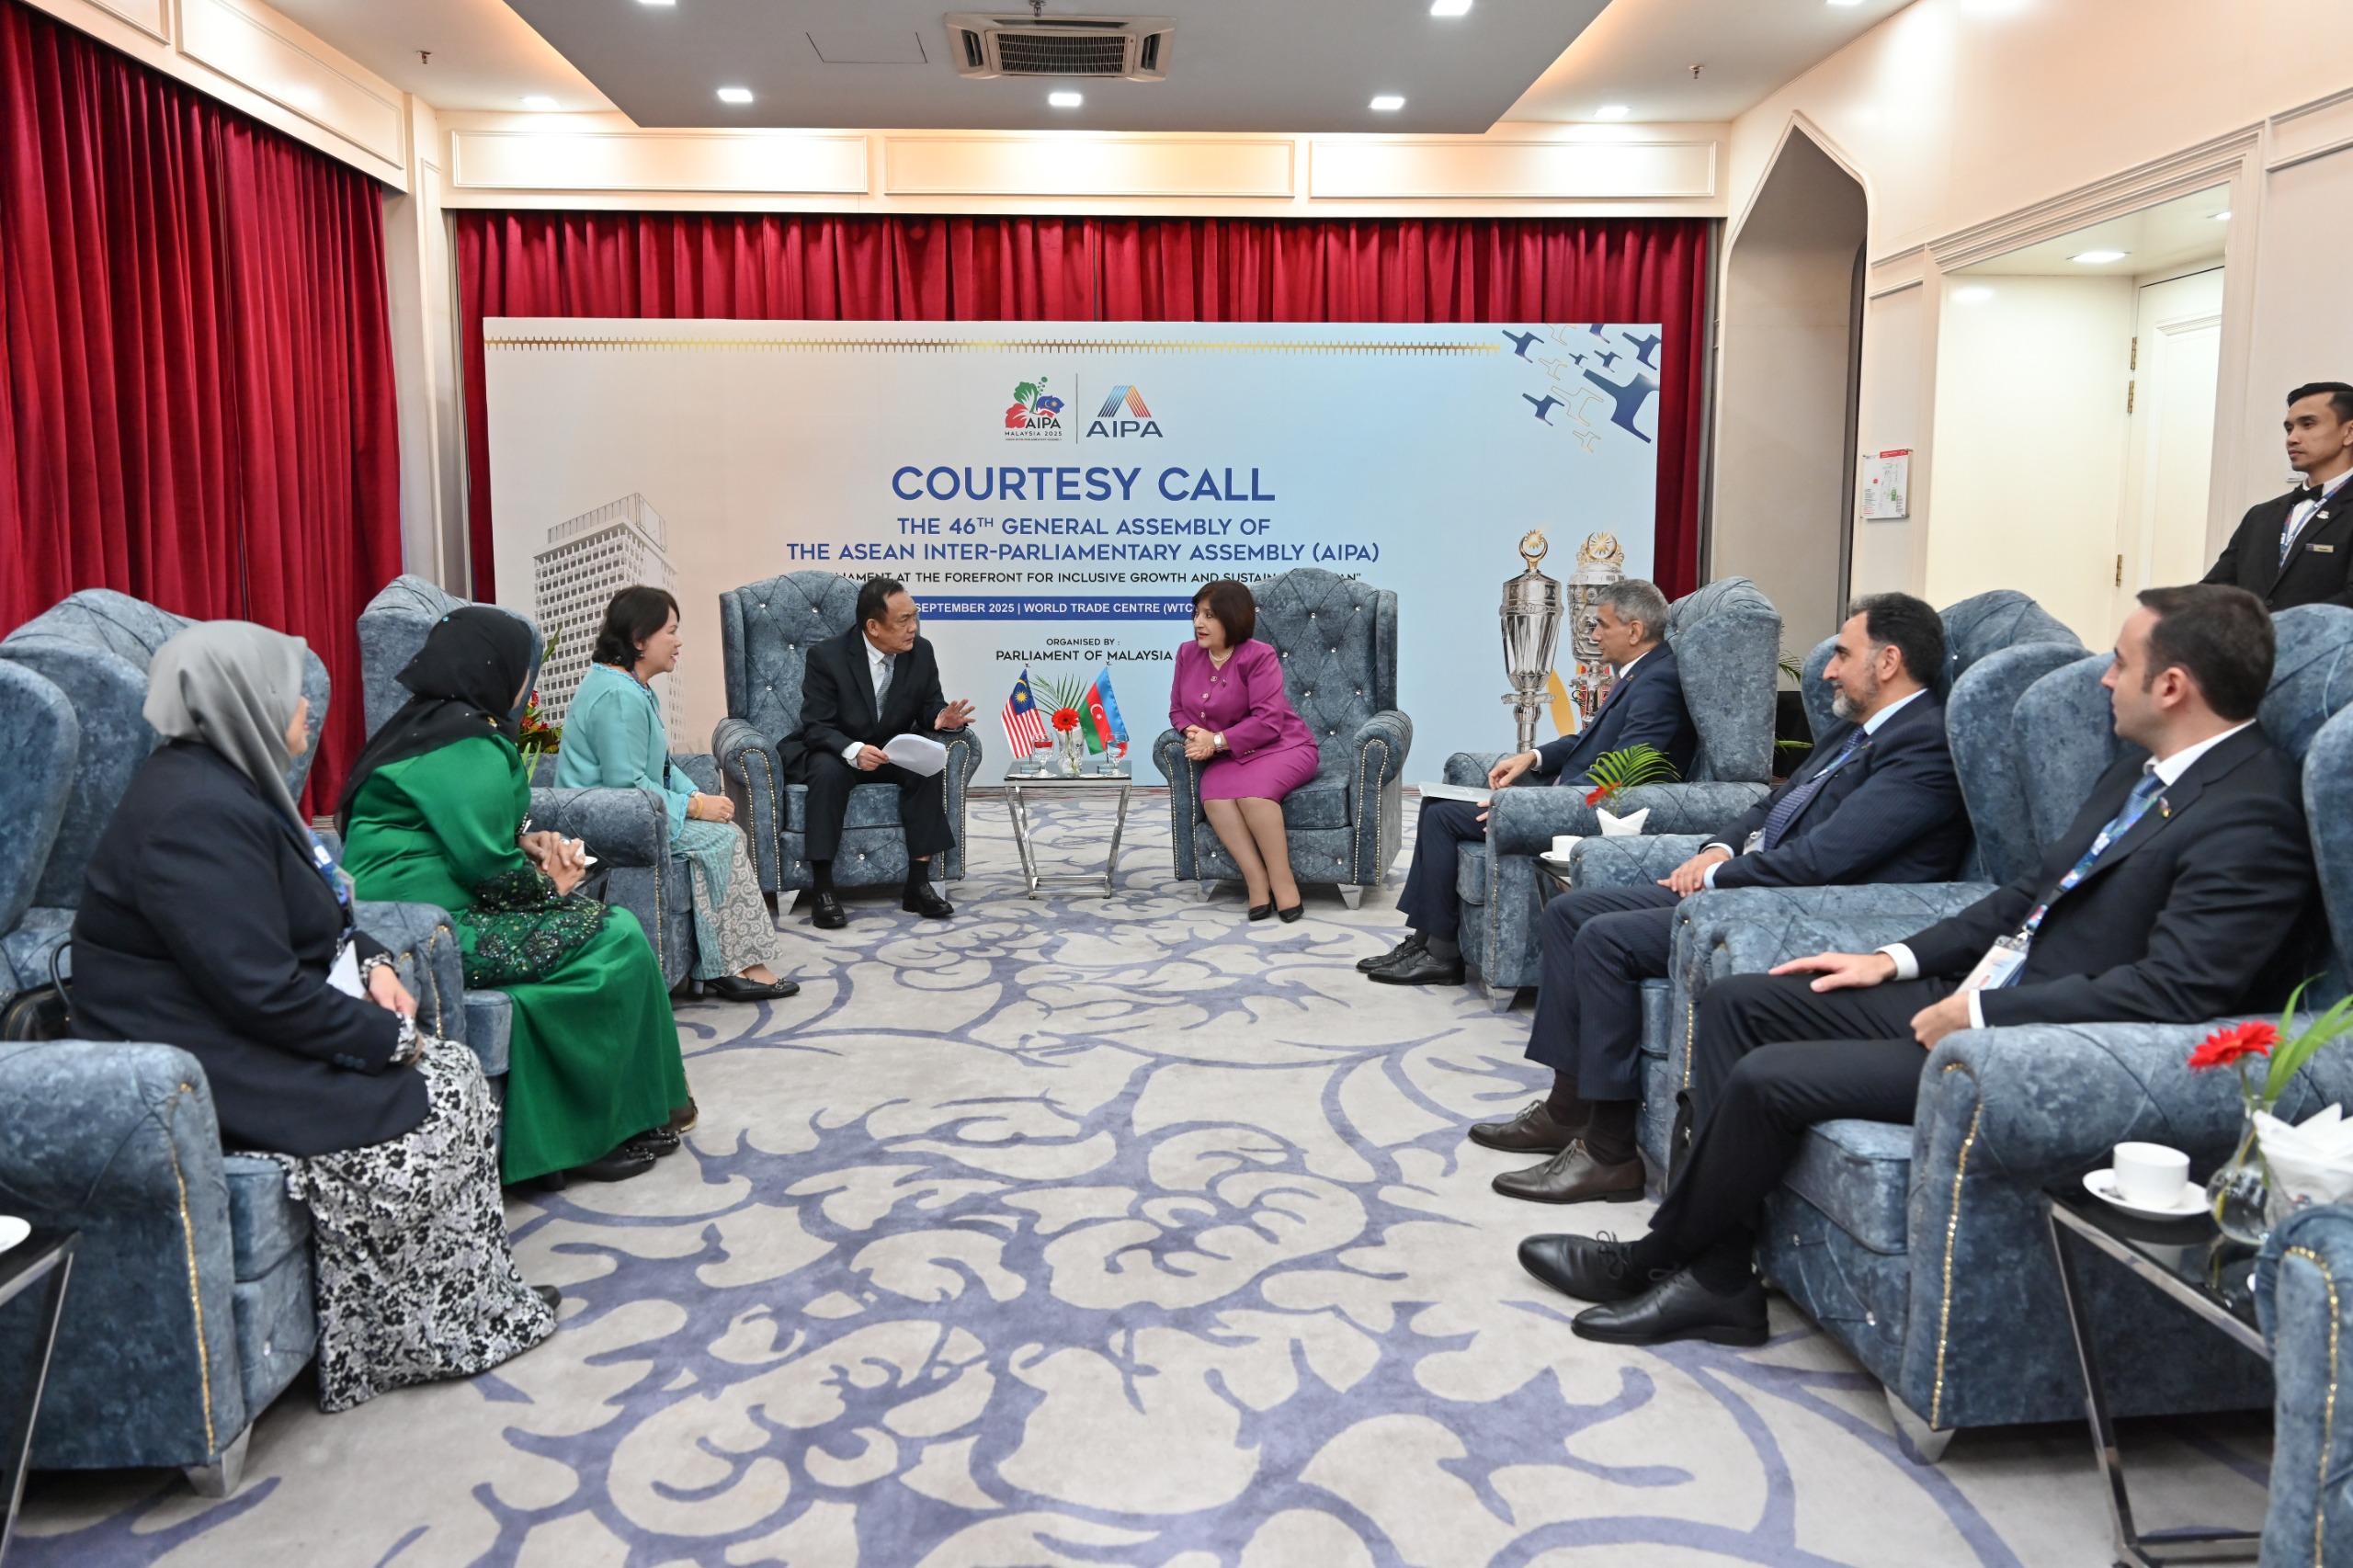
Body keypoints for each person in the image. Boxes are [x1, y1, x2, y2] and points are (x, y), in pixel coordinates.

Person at [1519, 584, 2320, 1347]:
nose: (2104, 678)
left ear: (2172, 686)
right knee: (1739, 1002)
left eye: (2121, 662)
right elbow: (2023, 897)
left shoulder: (2251, 813)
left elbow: (2174, 992)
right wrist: (1893, 959)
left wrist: (1982, 1015)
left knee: (1768, 1078)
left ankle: (1667, 1260)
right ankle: (1718, 1274)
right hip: (1980, 989)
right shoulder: (2136, 774)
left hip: (2032, 1040)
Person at [71, 621, 555, 1412]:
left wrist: (376, 963)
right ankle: (407, 1339)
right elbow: (257, 990)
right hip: (209, 1059)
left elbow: (321, 910)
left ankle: (468, 1303)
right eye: (291, 690)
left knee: (454, 1072)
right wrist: (386, 1037)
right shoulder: (192, 813)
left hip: (247, 1028)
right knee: (435, 1090)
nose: (307, 707)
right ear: (246, 702)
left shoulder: (234, 785)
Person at [1479, 593, 1969, 1204]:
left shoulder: (1922, 746)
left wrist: (1718, 877)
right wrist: (1717, 848)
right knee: (1571, 911)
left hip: (1800, 910)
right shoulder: (1855, 731)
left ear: (1888, 661)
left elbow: (1826, 860)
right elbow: (1771, 804)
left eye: (1843, 654)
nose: (1827, 670)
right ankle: (1566, 1108)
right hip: (1756, 883)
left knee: (1604, 939)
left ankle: (1608, 1155)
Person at [340, 607, 691, 1188]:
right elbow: (489, 870)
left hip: (417, 915)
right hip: (433, 926)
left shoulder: (424, 728)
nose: (526, 682)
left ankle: (595, 1126)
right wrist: (552, 885)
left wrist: (526, 843)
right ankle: (594, 1130)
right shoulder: (465, 744)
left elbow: (457, 833)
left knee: (590, 947)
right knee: (617, 936)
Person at [1365, 578, 1698, 986]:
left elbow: (1625, 769)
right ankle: (1424, 942)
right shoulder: (1639, 673)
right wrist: (1533, 756)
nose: (1593, 635)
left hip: (1585, 811)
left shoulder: (1658, 681)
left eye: (1601, 625)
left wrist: (1532, 807)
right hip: (1564, 798)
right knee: (1436, 805)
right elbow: (1592, 740)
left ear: (1634, 630)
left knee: (1443, 817)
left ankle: (1441, 954)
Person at [557, 586, 798, 1004]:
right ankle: (734, 967)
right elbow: (626, 787)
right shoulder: (617, 695)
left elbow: (662, 766)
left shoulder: (632, 686)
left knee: (724, 834)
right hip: (602, 824)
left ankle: (725, 962)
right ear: (639, 639)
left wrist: (698, 796)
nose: (678, 641)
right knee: (722, 840)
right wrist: (696, 807)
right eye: (670, 631)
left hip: (631, 813)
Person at [784, 577, 974, 929]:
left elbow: (929, 703)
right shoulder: (827, 656)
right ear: (873, 626)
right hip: (839, 749)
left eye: (914, 617)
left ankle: (918, 883)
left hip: (890, 749)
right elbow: (816, 725)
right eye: (903, 620)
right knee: (826, 772)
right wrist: (854, 750)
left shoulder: (921, 652)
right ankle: (823, 888)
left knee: (926, 766)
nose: (913, 627)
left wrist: (940, 718)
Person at [1169, 579, 1324, 921]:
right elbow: (1177, 710)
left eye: (1209, 615)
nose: (1198, 622)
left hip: (1282, 745)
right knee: (1215, 798)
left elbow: (1268, 721)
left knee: (1254, 797)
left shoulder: (1258, 655)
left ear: (1233, 618)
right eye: (1197, 614)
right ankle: (1256, 882)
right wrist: (1194, 734)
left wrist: (1215, 741)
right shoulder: (1186, 653)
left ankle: (1284, 883)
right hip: (1229, 755)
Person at [2203, 381, 2353, 610]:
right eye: (2289, 428)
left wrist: (2276, 626)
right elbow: (2216, 590)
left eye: (2308, 424)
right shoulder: (2259, 515)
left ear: (2349, 433)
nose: (2292, 438)